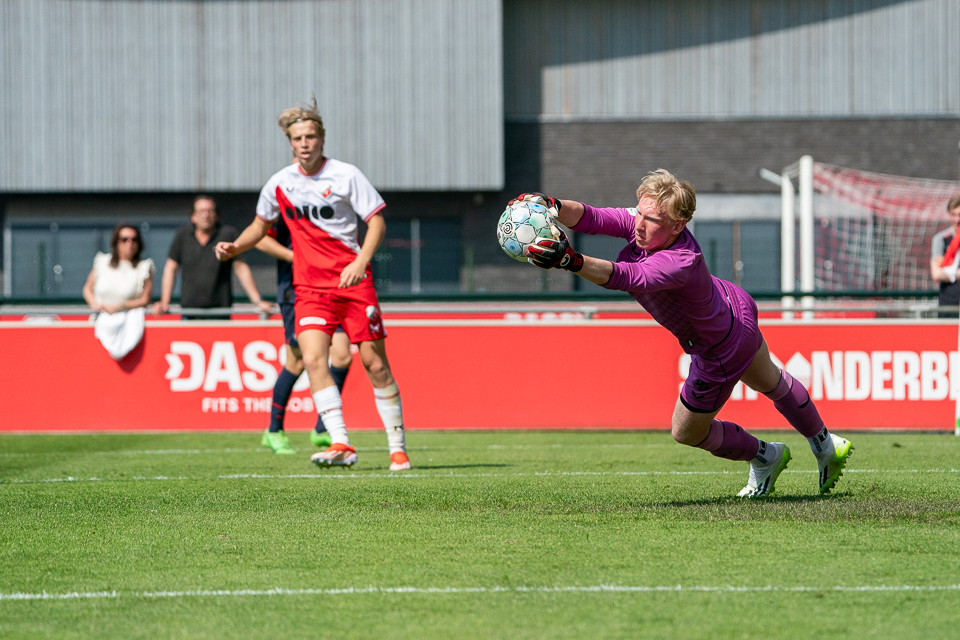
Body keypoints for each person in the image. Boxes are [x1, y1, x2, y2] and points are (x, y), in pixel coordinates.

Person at [519, 170, 853, 497]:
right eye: (639, 213)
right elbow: (591, 217)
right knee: (773, 383)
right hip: (734, 308)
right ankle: (825, 443)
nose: (638, 223)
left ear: (678, 225)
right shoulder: (646, 225)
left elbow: (626, 277)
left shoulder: (680, 261)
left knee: (686, 432)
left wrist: (570, 260)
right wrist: (551, 205)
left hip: (718, 349)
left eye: (650, 220)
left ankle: (765, 456)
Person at [215, 100, 411, 471]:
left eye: (310, 136)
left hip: (354, 283)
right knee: (313, 359)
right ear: (290, 143)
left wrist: (360, 261)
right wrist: (235, 247)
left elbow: (377, 222)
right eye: (297, 138)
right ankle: (341, 443)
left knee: (374, 364)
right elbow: (259, 228)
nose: (304, 143)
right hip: (309, 289)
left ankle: (397, 447)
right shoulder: (280, 183)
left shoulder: (346, 175)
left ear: (321, 139)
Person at [255, 212, 354, 454]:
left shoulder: (327, 204)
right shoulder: (283, 205)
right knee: (297, 359)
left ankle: (322, 428)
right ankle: (274, 430)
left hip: (329, 288)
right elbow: (259, 239)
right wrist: (298, 257)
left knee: (342, 355)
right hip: (295, 291)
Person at [152, 195, 273, 319]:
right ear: (193, 216)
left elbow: (240, 268)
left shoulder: (228, 234)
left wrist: (257, 301)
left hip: (220, 313)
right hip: (190, 314)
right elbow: (171, 268)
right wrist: (164, 302)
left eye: (210, 211)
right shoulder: (182, 235)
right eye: (201, 211)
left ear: (217, 215)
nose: (206, 215)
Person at [82, 224, 155, 360]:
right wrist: (95, 305)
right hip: (98, 324)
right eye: (124, 239)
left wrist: (121, 306)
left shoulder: (144, 267)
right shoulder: (102, 262)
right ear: (116, 242)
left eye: (134, 239)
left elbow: (145, 300)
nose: (130, 243)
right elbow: (87, 289)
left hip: (127, 326)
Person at [929, 195, 960, 318]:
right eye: (954, 215)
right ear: (949, 215)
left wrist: (948, 270)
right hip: (949, 301)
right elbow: (936, 274)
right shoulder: (941, 239)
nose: (958, 219)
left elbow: (942, 272)